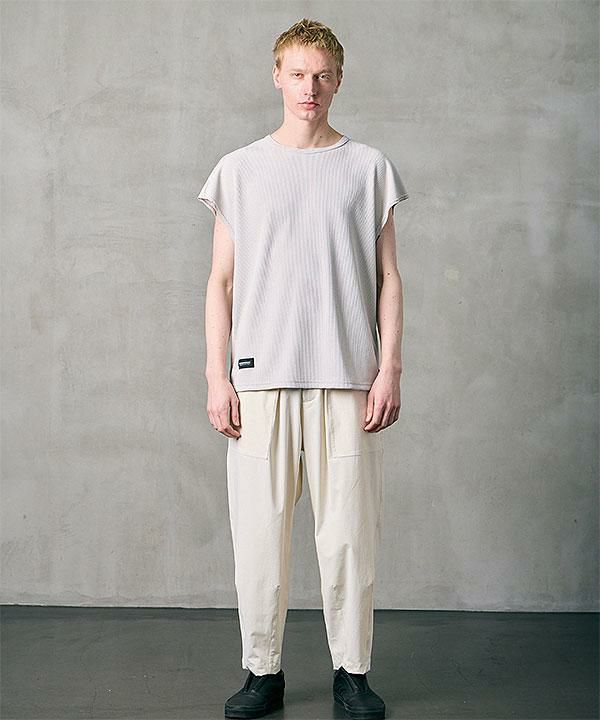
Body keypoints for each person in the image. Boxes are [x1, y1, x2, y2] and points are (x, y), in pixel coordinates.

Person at [197, 17, 408, 720]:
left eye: (321, 75)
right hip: (260, 381)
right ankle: (263, 672)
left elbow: (389, 277)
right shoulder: (240, 170)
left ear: (338, 80)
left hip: (347, 378)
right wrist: (217, 376)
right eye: (297, 74)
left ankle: (353, 673)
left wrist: (389, 368)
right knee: (260, 537)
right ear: (277, 78)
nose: (308, 87)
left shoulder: (368, 168)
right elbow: (221, 281)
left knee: (348, 537)